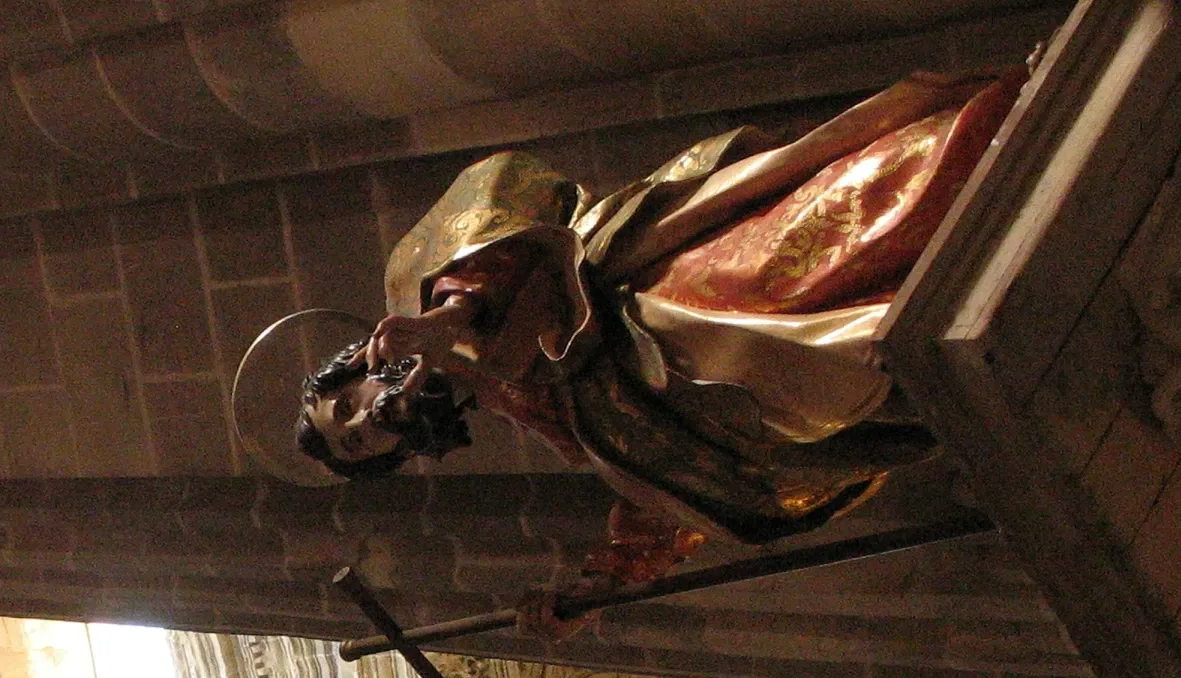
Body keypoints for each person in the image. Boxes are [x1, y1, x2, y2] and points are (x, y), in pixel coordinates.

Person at [295, 65, 1025, 619]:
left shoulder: (412, 281)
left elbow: (509, 188)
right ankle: (936, 345)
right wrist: (607, 578)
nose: (368, 421)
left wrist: (452, 314)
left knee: (803, 246)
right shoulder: (513, 400)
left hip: (643, 284)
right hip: (692, 386)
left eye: (346, 407)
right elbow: (642, 470)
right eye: (361, 443)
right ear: (398, 455)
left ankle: (991, 155)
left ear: (349, 369)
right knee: (797, 403)